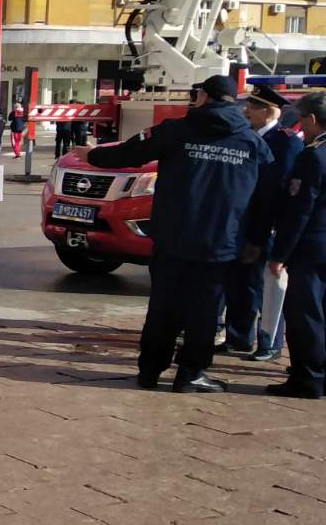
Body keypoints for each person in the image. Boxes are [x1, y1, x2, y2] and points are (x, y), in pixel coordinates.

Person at [87, 75, 270, 392]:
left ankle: (150, 371)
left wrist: (91, 155)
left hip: (173, 237)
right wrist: (256, 239)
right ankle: (191, 374)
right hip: (219, 243)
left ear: (203, 97)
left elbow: (129, 153)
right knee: (204, 311)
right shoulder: (252, 143)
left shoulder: (176, 130)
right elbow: (263, 199)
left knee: (163, 306)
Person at [220, 83, 302, 360]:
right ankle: (238, 338)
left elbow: (276, 193)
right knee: (241, 283)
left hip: (268, 228)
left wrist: (261, 234)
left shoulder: (285, 142)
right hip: (245, 224)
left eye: (253, 107)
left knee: (267, 287)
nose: (246, 111)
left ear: (268, 112)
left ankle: (270, 343)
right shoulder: (249, 138)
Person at [266, 91, 326, 400]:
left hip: (311, 249)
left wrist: (280, 254)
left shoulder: (313, 156)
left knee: (306, 317)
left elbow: (299, 211)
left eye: (303, 120)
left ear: (312, 120)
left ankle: (308, 378)